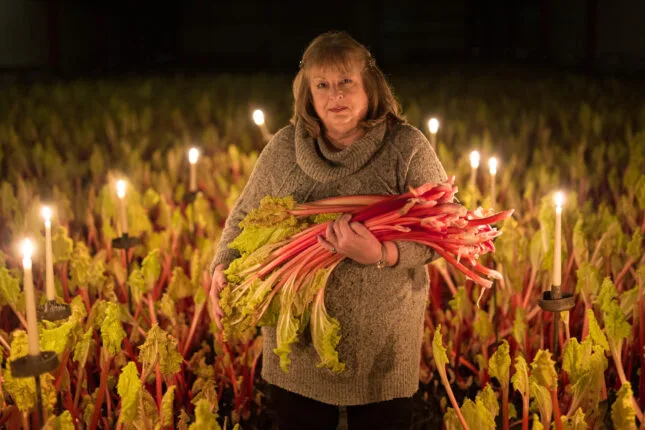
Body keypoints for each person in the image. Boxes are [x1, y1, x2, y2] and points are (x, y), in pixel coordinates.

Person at [209, 30, 447, 430]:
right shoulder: (283, 150)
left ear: (370, 86)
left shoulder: (406, 147)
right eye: (323, 85)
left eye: (346, 82)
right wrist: (223, 263)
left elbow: (443, 227)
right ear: (308, 95)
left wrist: (383, 254)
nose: (336, 95)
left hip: (382, 357)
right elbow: (244, 215)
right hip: (298, 357)